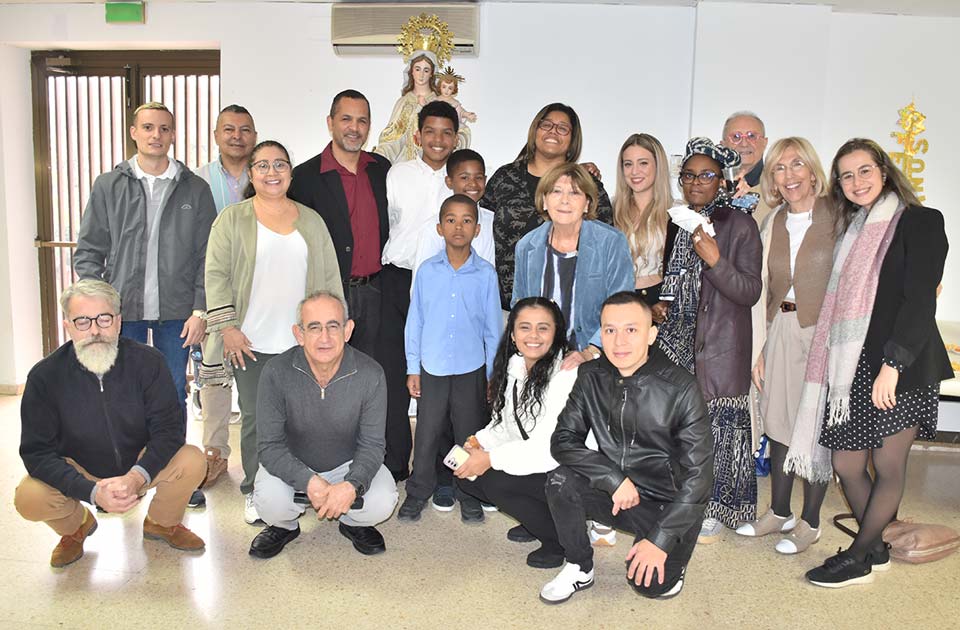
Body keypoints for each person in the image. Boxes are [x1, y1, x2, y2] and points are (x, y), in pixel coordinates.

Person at [802, 139, 951, 588]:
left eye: (864, 171)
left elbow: (920, 300)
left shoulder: (920, 221)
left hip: (900, 363)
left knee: (888, 466)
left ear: (884, 172)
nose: (856, 182)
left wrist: (894, 364)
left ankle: (860, 555)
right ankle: (876, 545)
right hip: (855, 366)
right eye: (846, 176)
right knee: (847, 465)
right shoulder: (854, 232)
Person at [15, 280, 206, 567]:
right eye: (82, 321)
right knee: (29, 497)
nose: (94, 330)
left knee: (192, 460)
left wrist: (136, 477)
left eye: (103, 319)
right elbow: (37, 453)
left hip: (139, 464)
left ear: (118, 322)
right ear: (68, 325)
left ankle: (162, 523)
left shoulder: (149, 362)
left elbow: (169, 431)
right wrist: (91, 492)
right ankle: (75, 527)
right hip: (80, 469)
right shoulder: (45, 377)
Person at [202, 140, 343, 525]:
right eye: (262, 165)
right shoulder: (232, 219)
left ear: (290, 173)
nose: (271, 172)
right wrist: (227, 327)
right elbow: (215, 276)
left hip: (303, 343)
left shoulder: (311, 221)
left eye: (279, 164)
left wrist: (331, 333)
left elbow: (330, 279)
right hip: (250, 342)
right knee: (256, 420)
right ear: (251, 175)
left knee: (305, 419)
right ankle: (256, 490)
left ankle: (298, 485)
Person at [541, 292, 712, 603]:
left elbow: (699, 478)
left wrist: (660, 540)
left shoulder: (681, 387)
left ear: (651, 334)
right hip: (619, 492)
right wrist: (612, 478)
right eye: (609, 330)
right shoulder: (591, 375)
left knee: (651, 587)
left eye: (631, 330)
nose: (619, 342)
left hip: (667, 504)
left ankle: (670, 550)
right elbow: (563, 440)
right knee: (559, 480)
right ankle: (579, 565)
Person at [74, 101, 216, 416]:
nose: (156, 135)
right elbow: (89, 250)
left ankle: (172, 462)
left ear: (173, 135)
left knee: (173, 389)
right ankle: (127, 460)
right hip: (123, 310)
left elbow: (209, 256)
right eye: (148, 128)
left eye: (164, 129)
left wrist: (201, 310)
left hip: (178, 312)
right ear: (134, 133)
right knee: (120, 389)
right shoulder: (109, 186)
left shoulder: (195, 189)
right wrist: (98, 306)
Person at [655, 138, 762, 543]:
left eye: (706, 175)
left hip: (716, 341)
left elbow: (749, 291)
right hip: (676, 338)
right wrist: (661, 305)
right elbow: (676, 276)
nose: (696, 182)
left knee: (719, 429)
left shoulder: (740, 224)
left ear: (722, 180)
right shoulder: (677, 219)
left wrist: (716, 260)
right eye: (689, 175)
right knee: (681, 428)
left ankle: (717, 509)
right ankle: (682, 500)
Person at [736, 137, 838, 554]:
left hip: (824, 332)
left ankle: (811, 521)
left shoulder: (839, 215)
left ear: (813, 171)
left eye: (797, 165)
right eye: (779, 168)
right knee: (777, 422)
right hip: (781, 327)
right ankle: (779, 511)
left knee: (813, 425)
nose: (789, 175)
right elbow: (762, 288)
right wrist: (759, 347)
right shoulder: (773, 220)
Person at [249, 291, 398, 559]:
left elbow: (373, 445)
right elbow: (269, 446)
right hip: (296, 463)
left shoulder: (371, 373)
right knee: (269, 501)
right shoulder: (275, 372)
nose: (325, 337)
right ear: (299, 334)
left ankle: (352, 523)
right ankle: (284, 527)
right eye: (314, 328)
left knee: (383, 501)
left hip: (347, 465)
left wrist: (351, 485)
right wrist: (308, 481)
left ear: (348, 330)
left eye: (333, 326)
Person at [398, 194, 502, 523]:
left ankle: (469, 493)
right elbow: (415, 321)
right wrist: (412, 367)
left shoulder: (486, 274)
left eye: (467, 220)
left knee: (468, 434)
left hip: (472, 369)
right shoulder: (427, 272)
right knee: (427, 433)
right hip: (433, 368)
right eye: (452, 220)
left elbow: (492, 329)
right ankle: (418, 491)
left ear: (478, 229)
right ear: (440, 228)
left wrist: (492, 374)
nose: (459, 227)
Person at [454, 297, 578, 567]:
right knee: (468, 474)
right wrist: (478, 442)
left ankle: (559, 541)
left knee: (497, 481)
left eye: (543, 328)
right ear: (512, 334)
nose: (533, 336)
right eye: (525, 327)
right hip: (534, 458)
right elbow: (506, 424)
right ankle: (538, 519)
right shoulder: (515, 364)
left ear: (556, 333)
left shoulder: (566, 374)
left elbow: (548, 449)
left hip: (565, 468)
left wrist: (488, 459)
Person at [379, 100, 461, 484]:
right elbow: (390, 224)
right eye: (430, 131)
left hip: (445, 283)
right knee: (396, 370)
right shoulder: (397, 175)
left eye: (446, 132)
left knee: (443, 375)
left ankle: (443, 470)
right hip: (398, 279)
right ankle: (395, 461)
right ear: (417, 136)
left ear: (456, 138)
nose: (438, 139)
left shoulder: (464, 178)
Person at [288, 90, 391, 357]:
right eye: (346, 119)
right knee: (326, 369)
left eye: (362, 121)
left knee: (370, 370)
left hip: (375, 293)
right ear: (330, 122)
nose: (354, 128)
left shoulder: (382, 170)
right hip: (327, 292)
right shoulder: (304, 177)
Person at [484, 103, 614, 310]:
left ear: (572, 140)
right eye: (547, 125)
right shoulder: (504, 177)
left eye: (563, 128)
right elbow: (480, 232)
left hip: (569, 306)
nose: (553, 131)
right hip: (508, 305)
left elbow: (605, 244)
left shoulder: (586, 184)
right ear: (535, 130)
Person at [512, 163, 634, 369]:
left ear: (587, 203)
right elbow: (520, 303)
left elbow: (623, 305)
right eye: (556, 191)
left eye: (575, 193)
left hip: (594, 357)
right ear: (543, 201)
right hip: (541, 356)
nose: (564, 200)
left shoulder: (610, 242)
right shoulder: (527, 245)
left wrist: (590, 352)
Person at [194, 104, 258, 488]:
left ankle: (265, 452)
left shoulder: (267, 175)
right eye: (229, 129)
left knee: (259, 373)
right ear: (216, 134)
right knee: (214, 377)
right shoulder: (198, 180)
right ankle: (214, 454)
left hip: (259, 288)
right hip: (214, 289)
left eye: (245, 129)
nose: (237, 136)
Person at [411, 148, 496, 279]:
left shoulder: (492, 222)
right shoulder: (434, 226)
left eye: (478, 177)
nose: (473, 184)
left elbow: (491, 275)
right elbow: (420, 279)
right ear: (449, 182)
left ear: (485, 180)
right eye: (464, 177)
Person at [613, 133, 676, 307]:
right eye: (628, 164)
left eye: (643, 163)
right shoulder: (609, 211)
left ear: (658, 166)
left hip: (660, 304)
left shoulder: (676, 214)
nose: (634, 171)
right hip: (617, 302)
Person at [374, 53, 470, 164]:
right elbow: (393, 138)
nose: (421, 75)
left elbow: (458, 131)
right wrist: (378, 157)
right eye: (418, 69)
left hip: (433, 166)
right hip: (405, 165)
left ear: (431, 74)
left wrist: (457, 138)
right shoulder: (404, 102)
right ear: (411, 72)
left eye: (426, 70)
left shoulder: (439, 102)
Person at [720, 111, 773, 226]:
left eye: (752, 136)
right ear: (723, 145)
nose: (744, 143)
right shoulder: (709, 188)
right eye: (736, 137)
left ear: (765, 142)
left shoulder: (779, 189)